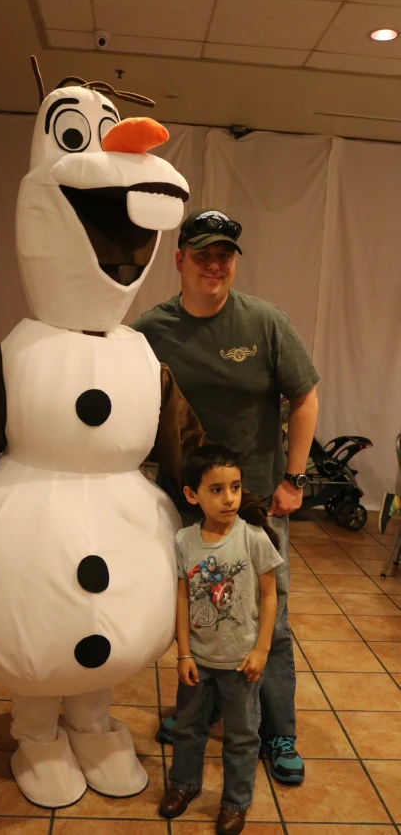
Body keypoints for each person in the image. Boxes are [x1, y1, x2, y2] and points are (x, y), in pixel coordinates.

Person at [131, 209, 319, 785]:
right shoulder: (150, 329)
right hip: (182, 503)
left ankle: (277, 731)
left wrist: (293, 479)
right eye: (204, 253)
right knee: (198, 613)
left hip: (254, 504)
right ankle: (199, 708)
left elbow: (305, 397)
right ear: (180, 258)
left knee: (270, 619)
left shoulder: (265, 322)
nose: (216, 264)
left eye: (226, 255)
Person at [159, 444, 283, 835]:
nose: (229, 498)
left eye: (235, 487)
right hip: (198, 657)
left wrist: (262, 649)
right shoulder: (183, 541)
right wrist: (182, 653)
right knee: (187, 727)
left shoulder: (254, 539)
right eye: (216, 489)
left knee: (243, 736)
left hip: (242, 662)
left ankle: (235, 802)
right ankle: (183, 785)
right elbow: (180, 597)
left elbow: (269, 596)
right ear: (192, 495)